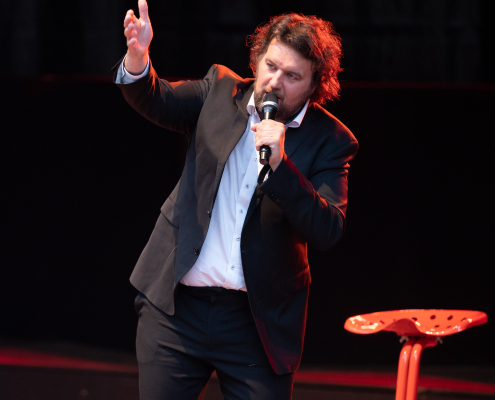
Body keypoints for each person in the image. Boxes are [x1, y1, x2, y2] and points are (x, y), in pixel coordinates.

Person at [113, 1, 358, 399]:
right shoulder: (220, 91)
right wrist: (138, 57)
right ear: (257, 59)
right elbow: (156, 98)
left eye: (292, 76)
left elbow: (327, 228)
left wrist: (281, 167)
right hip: (176, 310)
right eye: (270, 66)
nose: (275, 82)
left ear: (315, 84)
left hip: (257, 326)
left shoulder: (330, 141)